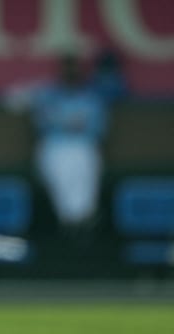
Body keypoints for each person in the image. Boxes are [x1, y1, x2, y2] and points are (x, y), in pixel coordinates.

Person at [29, 53, 108, 239]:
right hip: (55, 145)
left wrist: (65, 121)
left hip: (83, 145)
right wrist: (69, 121)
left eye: (74, 68)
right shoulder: (48, 95)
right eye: (67, 68)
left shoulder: (91, 97)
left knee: (84, 165)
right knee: (60, 167)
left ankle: (83, 219)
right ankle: (68, 221)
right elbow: (43, 122)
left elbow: (97, 128)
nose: (71, 73)